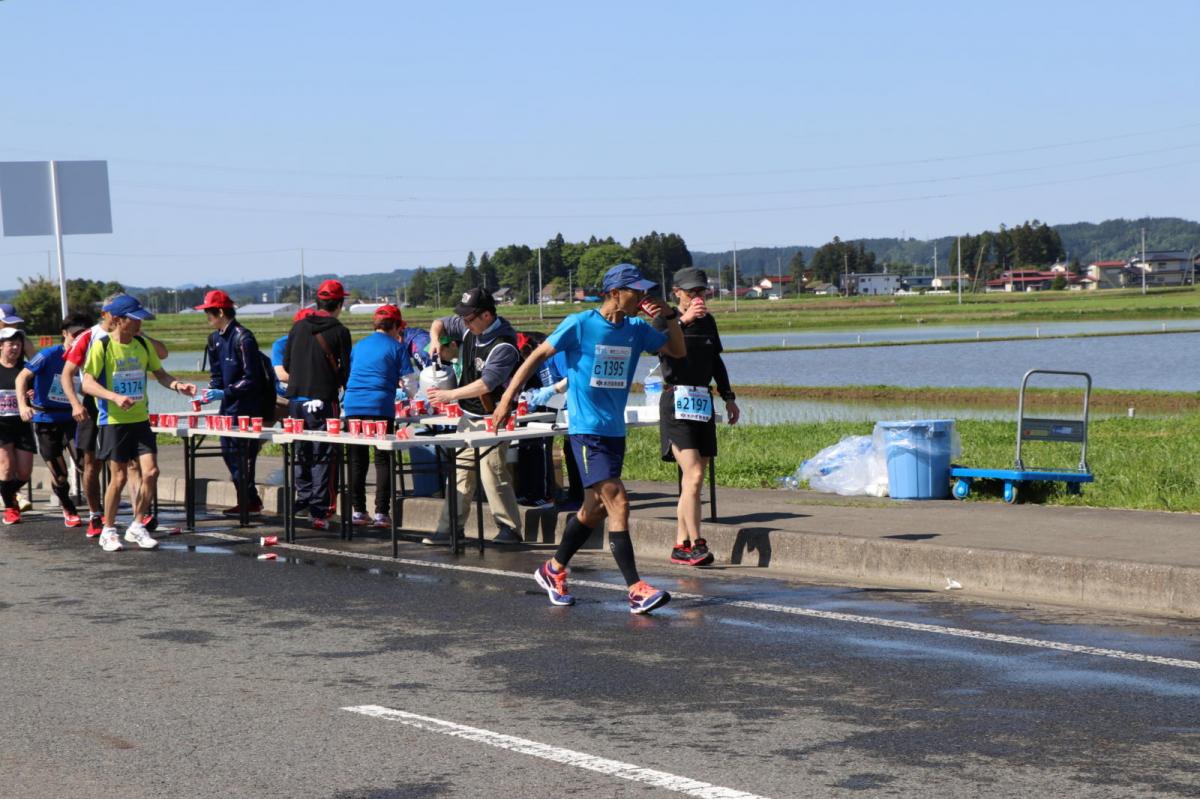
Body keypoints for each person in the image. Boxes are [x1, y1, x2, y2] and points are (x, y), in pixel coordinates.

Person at [494, 264, 685, 614]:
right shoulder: (580, 324)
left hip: (614, 431)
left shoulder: (637, 329)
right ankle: (636, 588)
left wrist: (670, 314)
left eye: (645, 291)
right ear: (615, 293)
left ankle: (553, 570)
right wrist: (507, 399)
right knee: (619, 502)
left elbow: (676, 350)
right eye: (636, 291)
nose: (643, 297)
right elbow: (536, 357)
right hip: (586, 431)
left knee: (592, 510)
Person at [80, 295, 196, 551]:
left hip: (140, 419)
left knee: (152, 472)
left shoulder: (143, 345)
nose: (139, 322)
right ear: (119, 320)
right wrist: (114, 397)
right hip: (113, 421)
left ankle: (136, 525)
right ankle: (108, 529)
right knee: (118, 478)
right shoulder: (103, 346)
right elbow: (87, 383)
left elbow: (161, 374)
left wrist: (178, 386)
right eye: (134, 318)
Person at [61, 294, 172, 536]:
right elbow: (68, 374)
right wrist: (74, 404)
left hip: (132, 409)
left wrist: (141, 335)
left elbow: (162, 355)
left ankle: (137, 520)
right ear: (111, 315)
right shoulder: (90, 338)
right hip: (96, 406)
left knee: (135, 467)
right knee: (92, 463)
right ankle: (95, 514)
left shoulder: (136, 338)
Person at [423, 287, 525, 546]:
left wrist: (450, 395)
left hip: (494, 418)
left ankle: (509, 529)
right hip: (468, 416)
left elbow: (487, 385)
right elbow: (439, 323)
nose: (463, 323)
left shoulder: (504, 345)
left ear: (487, 315)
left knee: (493, 472)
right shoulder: (469, 326)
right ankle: (450, 529)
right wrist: (436, 339)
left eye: (469, 318)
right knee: (459, 474)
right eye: (464, 318)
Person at [652, 267, 740, 567]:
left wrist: (728, 396)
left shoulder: (709, 322)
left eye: (701, 293)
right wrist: (683, 321)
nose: (697, 298)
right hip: (676, 400)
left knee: (693, 482)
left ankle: (681, 544)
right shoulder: (664, 321)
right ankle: (698, 542)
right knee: (694, 475)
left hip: (702, 401)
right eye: (691, 293)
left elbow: (716, 360)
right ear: (677, 292)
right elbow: (659, 350)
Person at [283, 279, 352, 530]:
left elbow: (288, 364)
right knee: (324, 454)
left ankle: (303, 498)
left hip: (296, 402)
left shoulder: (299, 326)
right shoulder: (340, 331)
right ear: (340, 303)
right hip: (323, 401)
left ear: (318, 301)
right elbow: (346, 369)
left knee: (301, 451)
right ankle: (321, 508)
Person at [15, 312, 94, 527]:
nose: (78, 338)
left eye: (83, 334)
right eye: (75, 334)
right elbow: (22, 376)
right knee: (60, 475)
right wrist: (23, 405)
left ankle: (97, 510)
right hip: (45, 418)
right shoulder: (48, 355)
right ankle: (67, 506)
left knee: (84, 463)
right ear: (64, 334)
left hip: (73, 417)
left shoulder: (89, 356)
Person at [198, 290, 266, 516]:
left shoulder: (243, 337)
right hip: (227, 405)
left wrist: (224, 392)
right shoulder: (214, 338)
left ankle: (248, 502)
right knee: (228, 452)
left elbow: (252, 378)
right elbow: (216, 374)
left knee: (244, 455)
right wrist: (210, 391)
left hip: (247, 407)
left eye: (209, 313)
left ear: (220, 311)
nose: (206, 318)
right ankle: (249, 500)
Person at [343, 304, 410, 528]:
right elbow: (410, 382)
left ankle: (358, 512)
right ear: (397, 326)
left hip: (352, 405)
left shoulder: (359, 345)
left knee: (356, 459)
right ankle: (382, 513)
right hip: (380, 406)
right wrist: (409, 398)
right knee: (382, 459)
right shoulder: (397, 347)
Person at [0, 328, 35, 524]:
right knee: (5, 468)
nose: (14, 348)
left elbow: (38, 392)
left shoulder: (27, 369)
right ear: (1, 346)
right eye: (10, 344)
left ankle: (5, 491)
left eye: (18, 344)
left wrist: (32, 394)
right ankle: (11, 508)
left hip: (22, 424)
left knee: (24, 472)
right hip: (1, 424)